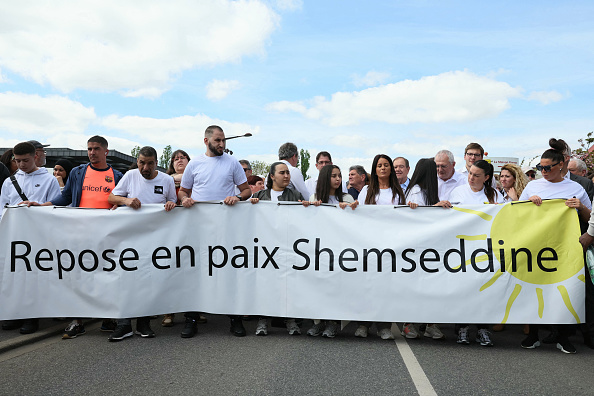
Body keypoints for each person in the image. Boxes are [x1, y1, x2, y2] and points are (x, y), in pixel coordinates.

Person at [25, 135, 124, 339]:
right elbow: (66, 197)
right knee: (79, 276)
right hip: (81, 233)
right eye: (89, 149)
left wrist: (120, 204)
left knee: (106, 276)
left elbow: (123, 198)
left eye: (96, 148)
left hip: (107, 235)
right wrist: (42, 206)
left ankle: (108, 318)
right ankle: (77, 321)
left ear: (106, 151)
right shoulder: (79, 172)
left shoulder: (117, 175)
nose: (92, 152)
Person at [519, 139, 592, 354]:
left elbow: (591, 219)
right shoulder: (533, 186)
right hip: (536, 247)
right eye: (541, 167)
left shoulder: (576, 188)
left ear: (561, 166)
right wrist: (528, 202)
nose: (543, 171)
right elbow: (516, 213)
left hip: (563, 250)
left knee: (563, 291)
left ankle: (562, 336)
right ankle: (533, 335)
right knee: (534, 289)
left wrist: (580, 207)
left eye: (547, 167)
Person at [178, 125, 251, 338]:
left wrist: (237, 197)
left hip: (226, 227)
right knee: (196, 272)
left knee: (228, 270)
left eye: (224, 141)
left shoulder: (232, 163)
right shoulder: (195, 164)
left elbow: (246, 189)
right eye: (218, 140)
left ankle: (235, 319)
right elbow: (183, 190)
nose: (221, 144)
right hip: (199, 227)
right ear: (206, 141)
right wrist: (185, 199)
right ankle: (191, 319)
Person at [107, 146, 177, 342]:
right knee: (126, 280)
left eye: (149, 163)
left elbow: (172, 203)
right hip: (129, 239)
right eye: (141, 163)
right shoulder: (130, 175)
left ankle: (143, 323)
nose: (145, 167)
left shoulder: (167, 180)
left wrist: (171, 204)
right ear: (137, 162)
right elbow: (111, 197)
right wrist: (126, 201)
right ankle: (124, 324)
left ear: (156, 163)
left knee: (148, 281)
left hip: (155, 241)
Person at [0, 142, 60, 334]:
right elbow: (2, 208)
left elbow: (56, 208)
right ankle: (16, 313)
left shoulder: (49, 180)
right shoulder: (10, 181)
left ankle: (31, 317)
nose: (21, 165)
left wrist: (38, 209)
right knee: (15, 275)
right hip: (14, 235)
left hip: (38, 236)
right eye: (17, 161)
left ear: (35, 157)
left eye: (25, 160)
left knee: (33, 276)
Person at [250, 162, 310, 336]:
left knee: (287, 285)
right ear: (272, 176)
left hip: (287, 248)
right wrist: (251, 205)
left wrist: (306, 207)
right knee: (265, 285)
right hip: (265, 249)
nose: (286, 176)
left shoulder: (295, 195)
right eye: (282, 173)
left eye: (288, 173)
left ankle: (290, 320)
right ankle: (262, 320)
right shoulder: (259, 195)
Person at [449, 160, 502, 347]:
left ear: (486, 178)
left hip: (485, 251)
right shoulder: (458, 192)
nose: (471, 178)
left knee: (484, 289)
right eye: (470, 173)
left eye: (477, 175)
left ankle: (482, 329)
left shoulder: (494, 194)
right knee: (464, 289)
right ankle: (462, 328)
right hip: (461, 249)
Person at [355, 154, 405, 340]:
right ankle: (363, 324)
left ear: (390, 169)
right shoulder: (367, 191)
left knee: (386, 287)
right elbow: (357, 214)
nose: (383, 168)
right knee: (367, 286)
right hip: (369, 245)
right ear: (374, 170)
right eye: (379, 165)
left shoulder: (398, 192)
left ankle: (384, 326)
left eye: (386, 165)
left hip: (390, 247)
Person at [402, 159, 450, 340]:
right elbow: (419, 218)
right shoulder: (415, 191)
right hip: (418, 249)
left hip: (428, 248)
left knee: (430, 287)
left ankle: (430, 323)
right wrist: (435, 208)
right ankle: (408, 323)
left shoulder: (426, 191)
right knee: (416, 287)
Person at [306, 164, 356, 338]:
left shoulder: (348, 198)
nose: (337, 179)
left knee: (335, 288)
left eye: (339, 176)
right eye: (333, 176)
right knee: (319, 287)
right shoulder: (314, 197)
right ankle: (318, 322)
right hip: (320, 251)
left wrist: (351, 208)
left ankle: (333, 323)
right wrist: (310, 207)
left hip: (340, 251)